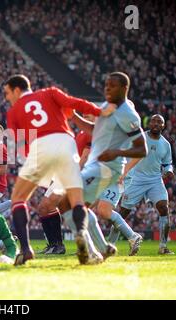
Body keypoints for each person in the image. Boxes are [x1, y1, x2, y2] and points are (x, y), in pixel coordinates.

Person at [3, 74, 115, 265]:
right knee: (76, 200)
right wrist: (99, 112)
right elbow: (75, 103)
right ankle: (80, 234)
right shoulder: (50, 93)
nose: (7, 97)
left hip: (40, 147)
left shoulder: (13, 112)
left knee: (18, 199)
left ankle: (25, 249)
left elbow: (19, 143)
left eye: (7, 93)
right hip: (66, 143)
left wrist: (34, 162)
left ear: (16, 89)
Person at [57, 72, 147, 259]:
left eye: (112, 85)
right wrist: (73, 116)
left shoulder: (128, 114)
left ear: (124, 89)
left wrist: (117, 152)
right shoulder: (106, 107)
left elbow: (142, 149)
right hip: (95, 165)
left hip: (107, 167)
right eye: (106, 84)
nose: (107, 88)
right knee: (77, 206)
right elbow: (93, 131)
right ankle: (101, 249)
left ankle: (90, 251)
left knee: (68, 202)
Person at [108, 114, 175, 255]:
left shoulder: (166, 144)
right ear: (149, 123)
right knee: (123, 212)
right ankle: (110, 245)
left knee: (164, 208)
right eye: (154, 121)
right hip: (135, 179)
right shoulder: (140, 137)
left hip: (155, 180)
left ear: (163, 126)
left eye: (159, 122)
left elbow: (167, 163)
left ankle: (163, 246)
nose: (156, 124)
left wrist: (169, 170)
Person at [37, 114, 95, 255]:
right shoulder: (80, 133)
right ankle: (54, 245)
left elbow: (85, 156)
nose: (85, 115)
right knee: (43, 208)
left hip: (72, 174)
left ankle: (79, 245)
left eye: (89, 114)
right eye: (84, 114)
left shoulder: (92, 133)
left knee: (54, 205)